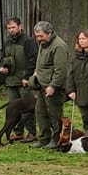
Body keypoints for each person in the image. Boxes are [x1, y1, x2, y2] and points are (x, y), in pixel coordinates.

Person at [30, 20, 69, 150]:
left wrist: (53, 86)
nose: (38, 39)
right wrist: (36, 73)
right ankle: (43, 138)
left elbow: (61, 70)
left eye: (41, 36)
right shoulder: (43, 43)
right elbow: (40, 61)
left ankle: (57, 138)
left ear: (49, 33)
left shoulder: (59, 46)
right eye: (36, 36)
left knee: (54, 114)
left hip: (53, 87)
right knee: (40, 112)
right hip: (41, 85)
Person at [0, 17, 37, 141]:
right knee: (14, 110)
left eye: (13, 27)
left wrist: (27, 77)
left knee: (27, 109)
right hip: (11, 81)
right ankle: (18, 132)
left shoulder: (28, 41)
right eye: (9, 28)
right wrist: (2, 68)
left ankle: (32, 133)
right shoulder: (7, 43)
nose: (11, 30)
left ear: (20, 26)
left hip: (24, 81)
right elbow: (4, 58)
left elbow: (33, 60)